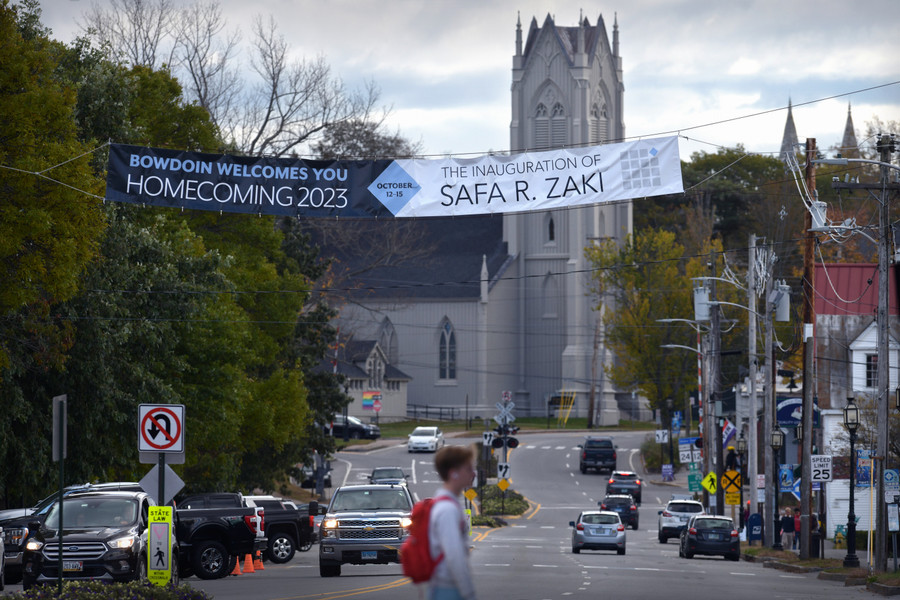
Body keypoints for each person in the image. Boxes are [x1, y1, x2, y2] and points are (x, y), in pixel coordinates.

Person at [428, 445, 477, 600]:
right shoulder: (447, 509)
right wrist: (468, 592)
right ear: (453, 473)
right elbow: (454, 556)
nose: (473, 473)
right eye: (468, 468)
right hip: (448, 589)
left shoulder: (447, 504)